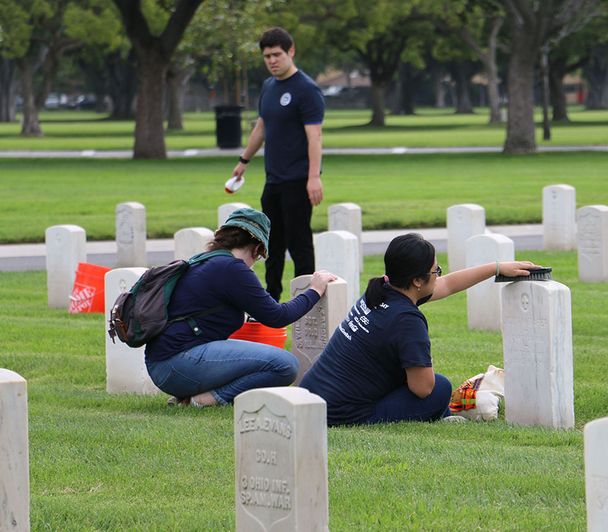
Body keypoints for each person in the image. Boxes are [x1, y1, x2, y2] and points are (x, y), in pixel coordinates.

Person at [299, 233, 538, 426]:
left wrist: (497, 267)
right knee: (440, 389)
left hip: (312, 397)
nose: (438, 276)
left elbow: (447, 284)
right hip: (342, 415)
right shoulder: (407, 321)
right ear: (417, 281)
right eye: (435, 271)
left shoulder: (382, 289)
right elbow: (423, 388)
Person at [144, 208, 336, 407]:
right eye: (260, 255)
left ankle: (188, 396)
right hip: (177, 364)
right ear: (257, 248)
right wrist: (314, 290)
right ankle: (209, 399)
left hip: (162, 365)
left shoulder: (205, 260)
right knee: (285, 365)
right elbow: (277, 317)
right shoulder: (232, 268)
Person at [231, 27, 325, 302]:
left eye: (276, 54)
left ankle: (309, 301)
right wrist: (243, 160)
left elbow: (314, 136)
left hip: (298, 181)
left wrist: (313, 177)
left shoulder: (307, 90)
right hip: (273, 180)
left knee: (299, 245)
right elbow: (261, 127)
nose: (272, 60)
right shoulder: (268, 87)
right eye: (267, 56)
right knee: (270, 245)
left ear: (291, 51)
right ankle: (270, 301)